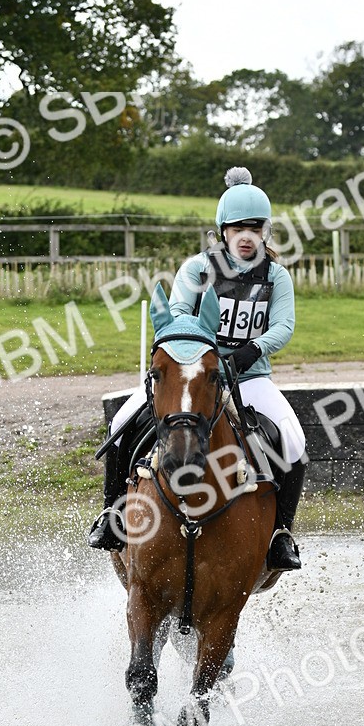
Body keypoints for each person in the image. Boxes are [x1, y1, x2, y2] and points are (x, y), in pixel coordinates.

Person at [88, 167, 307, 573]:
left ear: (266, 232)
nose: (246, 237)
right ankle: (111, 515)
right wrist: (202, 352)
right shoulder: (197, 269)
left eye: (254, 228)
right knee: (121, 423)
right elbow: (176, 313)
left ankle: (280, 535)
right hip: (191, 374)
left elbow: (284, 326)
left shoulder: (276, 277)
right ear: (222, 231)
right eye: (237, 228)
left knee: (293, 441)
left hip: (249, 377)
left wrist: (251, 350)